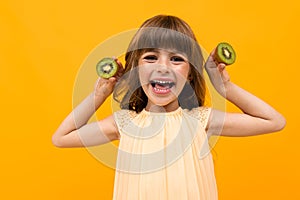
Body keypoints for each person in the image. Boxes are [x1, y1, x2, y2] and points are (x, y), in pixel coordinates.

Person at [52, 15, 286, 200]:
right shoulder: (123, 123)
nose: (163, 67)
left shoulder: (200, 119)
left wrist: (227, 88)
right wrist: (98, 96)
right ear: (135, 68)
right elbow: (61, 137)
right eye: (151, 57)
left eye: (176, 59)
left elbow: (274, 121)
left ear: (190, 74)